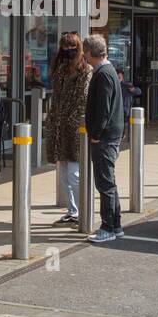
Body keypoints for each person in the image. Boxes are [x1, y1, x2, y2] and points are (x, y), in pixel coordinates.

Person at [45, 32, 91, 225]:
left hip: (73, 129)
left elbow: (83, 99)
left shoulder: (85, 70)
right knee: (63, 175)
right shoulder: (61, 68)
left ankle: (83, 211)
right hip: (58, 127)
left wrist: (72, 121)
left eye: (71, 47)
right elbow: (56, 97)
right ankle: (72, 210)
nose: (68, 50)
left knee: (74, 174)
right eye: (64, 46)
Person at [82, 34, 124, 243]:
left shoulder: (103, 74)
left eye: (84, 53)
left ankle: (108, 227)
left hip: (105, 138)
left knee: (104, 183)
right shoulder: (107, 72)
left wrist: (96, 134)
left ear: (89, 53)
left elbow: (103, 109)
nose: (84, 57)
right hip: (108, 136)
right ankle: (115, 225)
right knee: (109, 182)